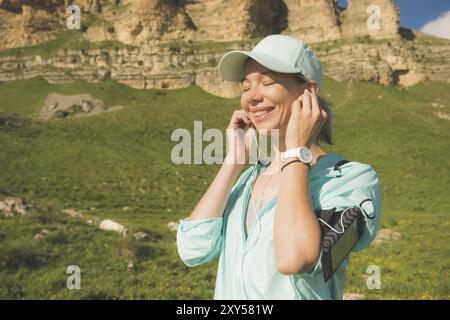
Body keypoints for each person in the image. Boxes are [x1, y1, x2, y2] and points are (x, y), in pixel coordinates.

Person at [176, 34, 381, 299]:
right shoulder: (248, 179)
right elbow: (193, 250)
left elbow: (294, 259)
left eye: (268, 81)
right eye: (245, 87)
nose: (252, 97)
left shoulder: (351, 180)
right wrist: (234, 161)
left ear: (308, 91)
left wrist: (296, 151)